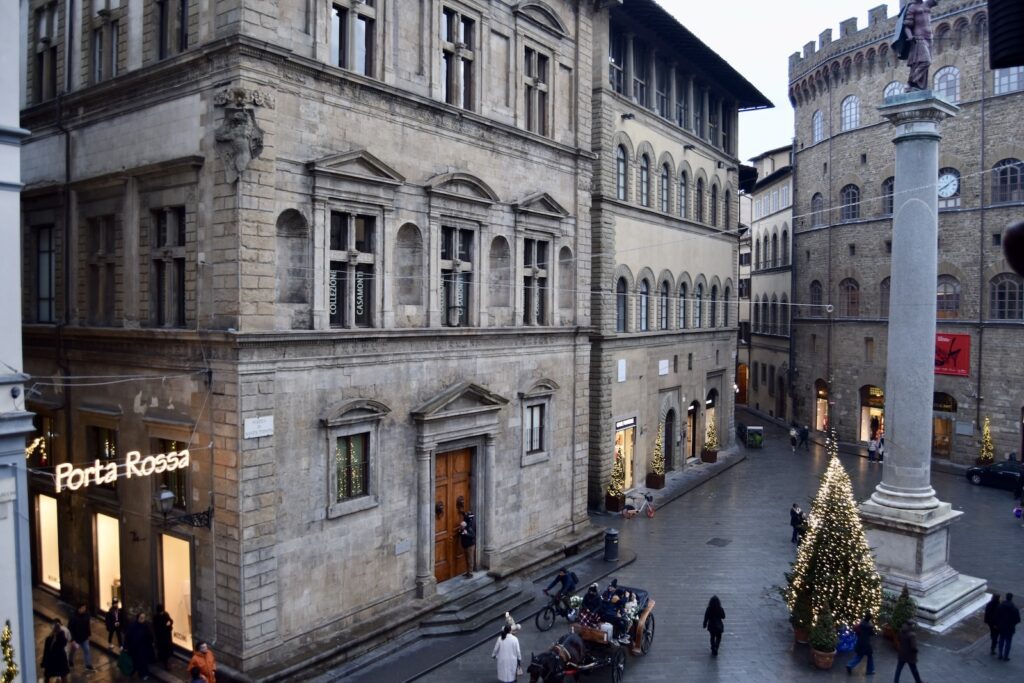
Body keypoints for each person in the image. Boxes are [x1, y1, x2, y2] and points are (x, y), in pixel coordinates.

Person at [892, 0, 941, 92]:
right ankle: (911, 82)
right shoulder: (912, 7)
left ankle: (918, 86)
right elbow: (907, 26)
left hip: (929, 39)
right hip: (918, 38)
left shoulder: (926, 4)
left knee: (918, 63)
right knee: (925, 61)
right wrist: (910, 37)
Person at [125, 612, 155, 680]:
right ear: (138, 618)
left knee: (143, 661)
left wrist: (151, 642)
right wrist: (126, 647)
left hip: (143, 647)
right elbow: (128, 637)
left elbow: (149, 635)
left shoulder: (145, 625)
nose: (143, 619)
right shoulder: (133, 626)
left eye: (144, 618)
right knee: (136, 661)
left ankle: (143, 674)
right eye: (141, 618)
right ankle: (136, 673)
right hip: (135, 648)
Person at [68, 603, 96, 672]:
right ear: (79, 609)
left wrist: (88, 635)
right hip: (76, 638)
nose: (84, 609)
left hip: (84, 637)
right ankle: (70, 661)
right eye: (83, 608)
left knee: (87, 650)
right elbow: (70, 629)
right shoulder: (73, 617)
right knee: (73, 651)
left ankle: (88, 665)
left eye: (85, 608)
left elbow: (87, 625)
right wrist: (72, 640)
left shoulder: (87, 615)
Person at [995, 593, 1021, 660]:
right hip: (1010, 628)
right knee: (1008, 642)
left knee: (1001, 640)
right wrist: (1013, 623)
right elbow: (1018, 620)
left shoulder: (1000, 606)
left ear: (1006, 597)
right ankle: (1006, 656)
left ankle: (1000, 654)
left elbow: (997, 617)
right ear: (1011, 598)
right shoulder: (1014, 609)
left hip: (1001, 627)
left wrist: (998, 624)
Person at [153, 603, 174, 669]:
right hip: (161, 636)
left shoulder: (165, 614)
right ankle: (164, 661)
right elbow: (157, 627)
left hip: (166, 635)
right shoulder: (156, 617)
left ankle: (165, 660)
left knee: (166, 648)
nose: (162, 613)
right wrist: (166, 625)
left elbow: (171, 620)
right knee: (162, 649)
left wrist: (169, 623)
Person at [458, 511, 476, 577]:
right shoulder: (465, 525)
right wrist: (460, 531)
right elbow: (461, 533)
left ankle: (470, 573)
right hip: (465, 545)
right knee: (466, 559)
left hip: (470, 545)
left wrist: (466, 534)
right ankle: (467, 572)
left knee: (470, 559)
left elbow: (473, 536)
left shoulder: (470, 526)